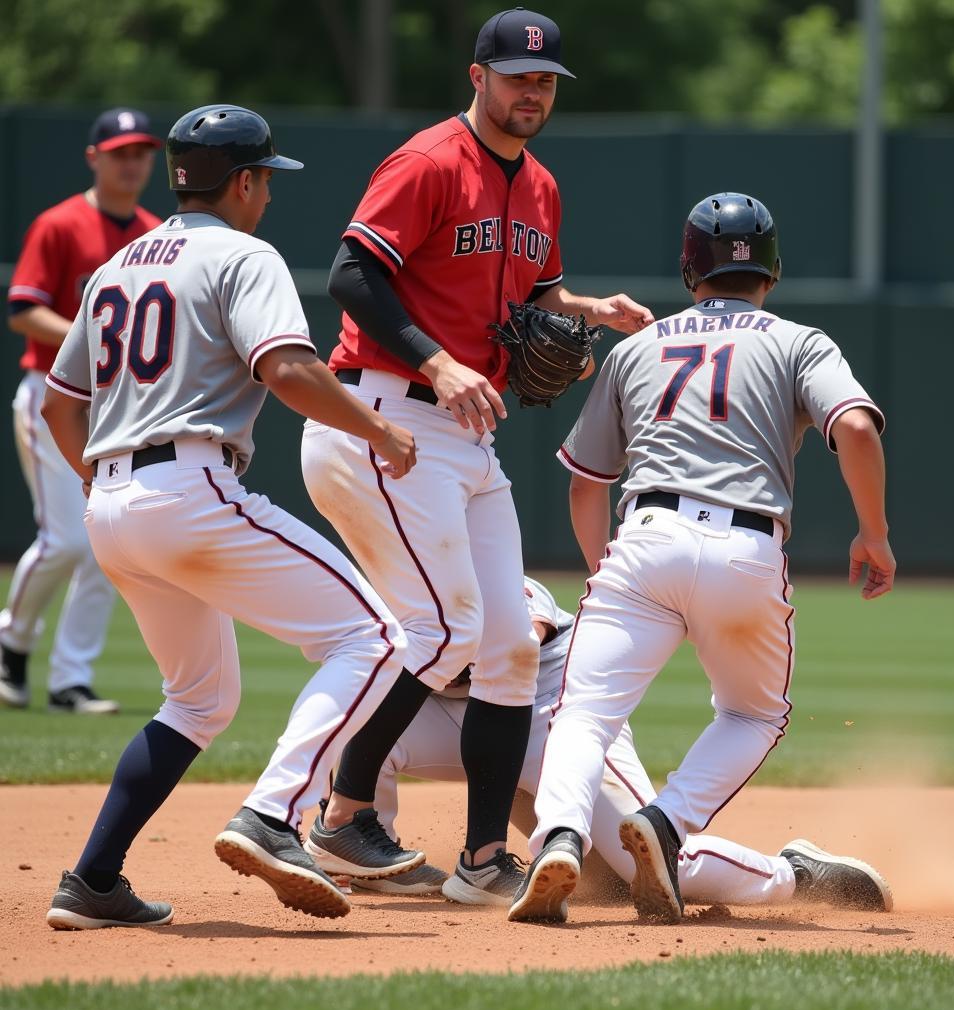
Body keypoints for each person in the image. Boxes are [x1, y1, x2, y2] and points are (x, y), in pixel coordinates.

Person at [300, 7, 654, 906]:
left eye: (545, 82)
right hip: (387, 416)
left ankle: (482, 861)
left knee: (508, 649)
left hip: (469, 435)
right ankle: (340, 818)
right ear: (478, 76)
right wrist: (437, 358)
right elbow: (350, 273)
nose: (531, 92)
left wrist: (587, 309)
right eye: (516, 77)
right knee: (445, 630)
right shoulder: (426, 163)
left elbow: (537, 291)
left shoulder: (541, 187)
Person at [40, 104, 422, 931]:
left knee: (199, 699)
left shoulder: (120, 263)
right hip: (191, 486)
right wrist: (380, 429)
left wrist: (102, 485)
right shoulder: (246, 254)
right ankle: (273, 816)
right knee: (376, 637)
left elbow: (61, 406)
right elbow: (286, 367)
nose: (269, 198)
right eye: (266, 182)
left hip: (113, 501)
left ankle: (92, 881)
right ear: (244, 181)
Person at [510, 192, 896, 924]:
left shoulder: (635, 348)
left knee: (583, 714)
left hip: (644, 536)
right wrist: (872, 532)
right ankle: (666, 822)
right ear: (771, 274)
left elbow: (587, 487)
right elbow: (857, 428)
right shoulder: (799, 341)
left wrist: (609, 581)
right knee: (754, 713)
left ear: (691, 271)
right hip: (746, 548)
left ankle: (557, 838)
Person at [355, 576, 893, 914]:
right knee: (357, 730)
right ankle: (371, 855)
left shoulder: (483, 569)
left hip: (554, 715)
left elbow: (523, 638)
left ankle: (795, 876)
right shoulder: (393, 583)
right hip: (471, 723)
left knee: (656, 862)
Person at [1, 108, 163, 714]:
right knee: (67, 540)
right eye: (120, 152)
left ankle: (70, 678)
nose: (132, 163)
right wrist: (90, 338)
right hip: (54, 397)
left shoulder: (154, 233)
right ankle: (11, 641)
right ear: (94, 157)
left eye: (141, 152)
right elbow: (23, 308)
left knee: (108, 539)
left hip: (118, 407)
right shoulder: (60, 223)